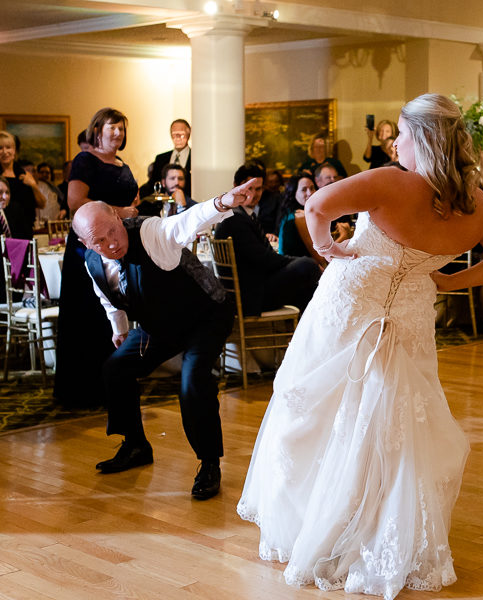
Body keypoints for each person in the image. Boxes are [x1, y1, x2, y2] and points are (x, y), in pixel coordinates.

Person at [237, 93, 483, 599]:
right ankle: (378, 534)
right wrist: (444, 281)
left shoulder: (392, 182)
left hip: (348, 308)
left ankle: (316, 526)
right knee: (394, 427)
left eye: (402, 138)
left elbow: (315, 205)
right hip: (410, 315)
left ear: (423, 140)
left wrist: (328, 247)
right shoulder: (475, 204)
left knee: (321, 415)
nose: (396, 146)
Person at [73, 180, 257, 499]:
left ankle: (209, 464)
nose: (111, 244)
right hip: (159, 325)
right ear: (84, 242)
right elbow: (106, 297)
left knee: (193, 381)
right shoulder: (92, 261)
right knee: (116, 369)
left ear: (119, 219)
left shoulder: (151, 232)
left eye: (112, 233)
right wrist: (119, 329)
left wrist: (224, 202)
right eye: (98, 241)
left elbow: (187, 220)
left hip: (205, 315)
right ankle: (135, 445)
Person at [54, 108, 139, 408]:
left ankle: (113, 384)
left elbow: (133, 200)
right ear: (98, 130)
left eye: (122, 129)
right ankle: (83, 390)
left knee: (114, 309)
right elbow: (75, 201)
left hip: (118, 243)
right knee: (88, 312)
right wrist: (119, 211)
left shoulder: (122, 163)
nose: (118, 134)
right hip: (89, 246)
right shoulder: (85, 160)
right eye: (112, 128)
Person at [213, 162, 320, 316]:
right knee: (307, 265)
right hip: (249, 297)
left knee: (306, 279)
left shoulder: (243, 214)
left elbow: (266, 257)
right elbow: (265, 260)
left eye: (258, 189)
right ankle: (308, 332)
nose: (254, 194)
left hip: (253, 289)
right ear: (236, 186)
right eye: (248, 188)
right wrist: (296, 262)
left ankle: (305, 332)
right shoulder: (235, 218)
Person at [0, 130, 45, 238]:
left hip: (26, 231)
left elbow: (42, 204)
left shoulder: (23, 174)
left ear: (14, 151)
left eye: (8, 147)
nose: (5, 151)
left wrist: (33, 185)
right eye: (0, 148)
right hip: (5, 233)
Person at [277, 171, 325, 266]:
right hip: (295, 273)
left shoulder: (292, 213)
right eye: (304, 189)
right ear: (293, 193)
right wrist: (344, 235)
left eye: (312, 188)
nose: (310, 193)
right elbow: (321, 258)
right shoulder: (300, 216)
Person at [151, 119, 192, 195]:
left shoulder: (195, 158)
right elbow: (152, 184)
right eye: (174, 134)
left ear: (189, 134)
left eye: (181, 134)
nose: (178, 137)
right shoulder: (160, 159)